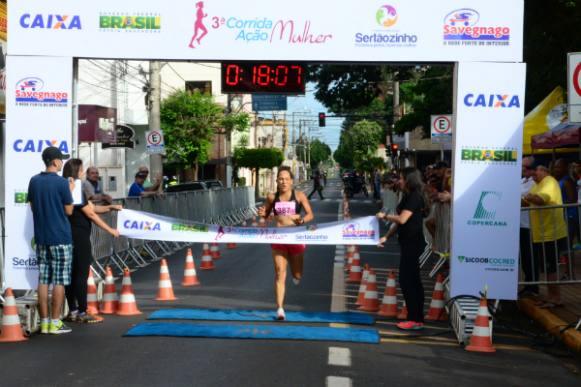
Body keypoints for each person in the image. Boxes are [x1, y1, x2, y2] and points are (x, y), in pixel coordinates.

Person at [62, 159, 122, 323]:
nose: (83, 172)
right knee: (80, 274)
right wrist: (110, 230)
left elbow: (92, 207)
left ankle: (73, 310)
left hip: (69, 234)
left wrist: (110, 207)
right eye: (82, 169)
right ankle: (82, 311)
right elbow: (91, 214)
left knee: (72, 274)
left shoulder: (69, 188)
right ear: (77, 171)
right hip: (79, 236)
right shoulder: (75, 191)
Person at [27, 146, 74, 334]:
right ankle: (55, 322)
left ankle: (45, 322)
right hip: (60, 236)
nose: (62, 162)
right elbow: (69, 211)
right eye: (60, 159)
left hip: (41, 236)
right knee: (59, 281)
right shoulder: (62, 183)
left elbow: (32, 207)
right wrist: (70, 188)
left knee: (43, 279)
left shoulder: (34, 181)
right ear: (54, 161)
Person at [257, 166, 314, 320]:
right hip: (279, 238)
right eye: (280, 179)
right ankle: (280, 309)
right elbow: (265, 214)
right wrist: (262, 217)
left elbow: (310, 215)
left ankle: (295, 273)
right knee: (279, 272)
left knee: (297, 275)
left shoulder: (299, 195)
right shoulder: (271, 197)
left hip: (295, 238)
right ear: (276, 181)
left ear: (291, 181)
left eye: (286, 179)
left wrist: (301, 219)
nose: (283, 182)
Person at [376, 167, 428, 330]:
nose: (398, 180)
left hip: (413, 242)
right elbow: (399, 223)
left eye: (401, 178)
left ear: (409, 179)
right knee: (411, 280)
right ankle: (416, 317)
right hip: (407, 242)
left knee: (408, 280)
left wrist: (385, 216)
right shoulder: (407, 196)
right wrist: (386, 236)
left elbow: (402, 219)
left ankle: (415, 318)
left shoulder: (414, 196)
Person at [524, 164, 568, 308]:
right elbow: (526, 201)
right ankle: (551, 296)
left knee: (550, 268)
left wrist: (530, 197)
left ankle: (556, 298)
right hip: (541, 234)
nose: (532, 174)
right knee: (546, 267)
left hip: (551, 234)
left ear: (544, 171)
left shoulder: (549, 181)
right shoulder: (538, 184)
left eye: (535, 171)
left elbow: (540, 200)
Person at [519, 156, 537, 296]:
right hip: (519, 224)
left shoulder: (534, 183)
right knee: (524, 258)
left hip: (529, 225)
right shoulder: (520, 181)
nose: (522, 169)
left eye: (525, 167)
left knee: (530, 257)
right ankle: (528, 284)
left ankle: (533, 287)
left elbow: (528, 201)